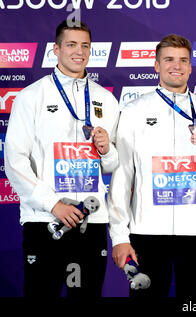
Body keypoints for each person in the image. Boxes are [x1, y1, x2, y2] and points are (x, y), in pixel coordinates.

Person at [4, 20, 120, 297]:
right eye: (71, 44)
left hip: (90, 221)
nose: (78, 51)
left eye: (85, 46)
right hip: (45, 219)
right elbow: (15, 161)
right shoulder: (30, 96)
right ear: (55, 49)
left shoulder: (106, 99)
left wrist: (106, 150)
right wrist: (53, 204)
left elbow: (113, 164)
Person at [108, 34, 196, 297]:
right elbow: (122, 178)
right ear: (156, 65)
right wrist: (119, 236)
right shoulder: (133, 111)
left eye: (183, 60)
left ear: (191, 66)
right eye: (169, 59)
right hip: (147, 235)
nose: (177, 66)